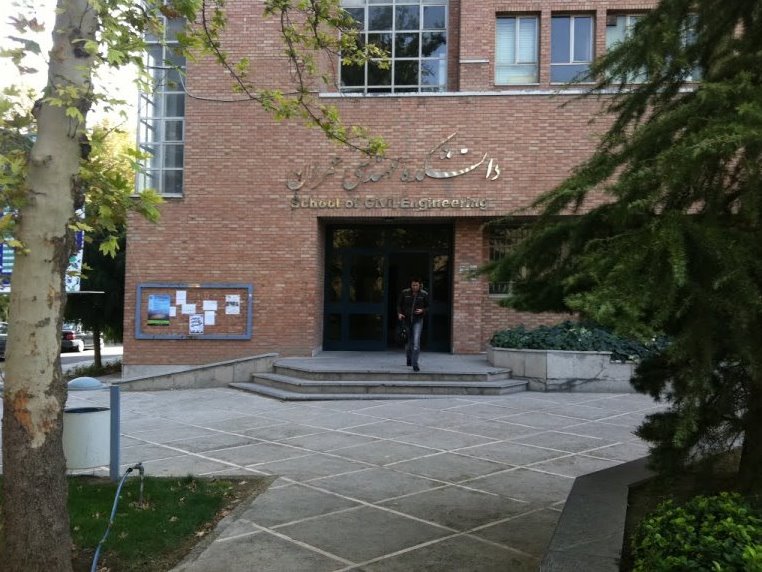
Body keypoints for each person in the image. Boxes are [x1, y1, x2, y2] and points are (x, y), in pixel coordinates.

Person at [397, 277, 429, 372]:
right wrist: (399, 313)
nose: (414, 287)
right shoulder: (405, 293)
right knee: (408, 342)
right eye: (413, 285)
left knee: (416, 342)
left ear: (420, 285)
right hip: (406, 320)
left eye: (416, 285)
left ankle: (415, 364)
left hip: (418, 320)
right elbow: (399, 305)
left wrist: (423, 310)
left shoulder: (424, 294)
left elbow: (428, 306)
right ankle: (409, 359)